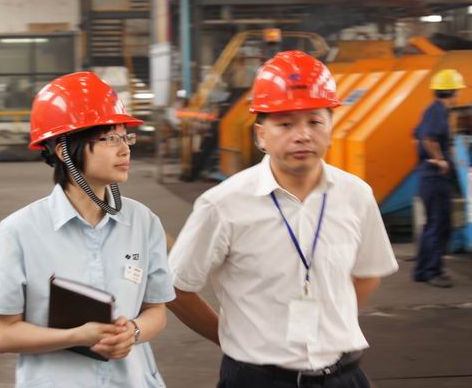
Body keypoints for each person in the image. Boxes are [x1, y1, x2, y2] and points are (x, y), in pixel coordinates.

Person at [168, 51, 399, 388]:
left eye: (314, 121)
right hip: (256, 379)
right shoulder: (223, 205)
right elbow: (176, 288)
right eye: (286, 124)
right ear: (261, 134)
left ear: (331, 125)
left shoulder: (356, 195)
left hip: (344, 376)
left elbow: (367, 274)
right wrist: (233, 338)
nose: (302, 135)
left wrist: (329, 324)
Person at [0, 72, 176, 388]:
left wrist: (134, 331)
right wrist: (77, 336)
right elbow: (3, 335)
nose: (125, 150)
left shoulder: (143, 222)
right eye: (109, 139)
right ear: (63, 150)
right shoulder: (19, 231)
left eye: (126, 137)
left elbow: (157, 310)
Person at [412, 69, 466, 288]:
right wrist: (440, 160)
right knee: (440, 224)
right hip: (435, 177)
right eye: (458, 91)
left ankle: (422, 270)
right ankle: (433, 271)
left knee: (432, 224)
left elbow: (415, 136)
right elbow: (428, 138)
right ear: (451, 92)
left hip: (428, 175)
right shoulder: (437, 112)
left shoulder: (432, 111)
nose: (459, 95)